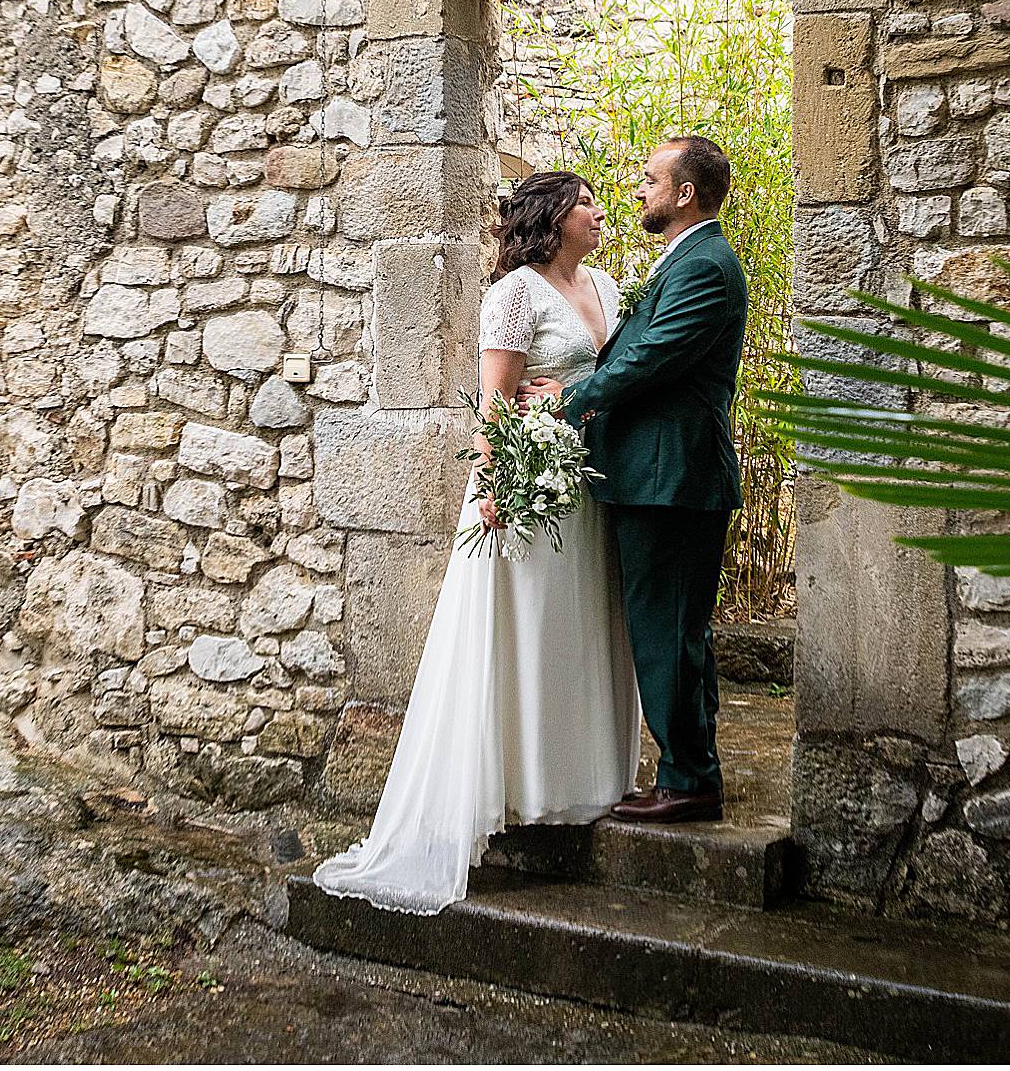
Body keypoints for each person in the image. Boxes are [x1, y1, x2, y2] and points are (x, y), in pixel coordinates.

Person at [311, 171, 641, 914]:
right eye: (585, 202)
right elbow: (496, 405)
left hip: (589, 483)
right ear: (552, 217)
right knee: (526, 627)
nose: (598, 211)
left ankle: (583, 779)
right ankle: (518, 783)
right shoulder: (514, 295)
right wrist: (493, 488)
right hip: (526, 481)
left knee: (584, 628)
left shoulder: (611, 288)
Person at [532, 135, 748, 824]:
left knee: (667, 634)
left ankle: (688, 782)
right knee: (676, 632)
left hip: (672, 476)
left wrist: (566, 399)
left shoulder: (705, 266)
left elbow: (653, 358)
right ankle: (691, 769)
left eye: (649, 179)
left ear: (685, 193)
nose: (638, 189)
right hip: (655, 475)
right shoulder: (684, 258)